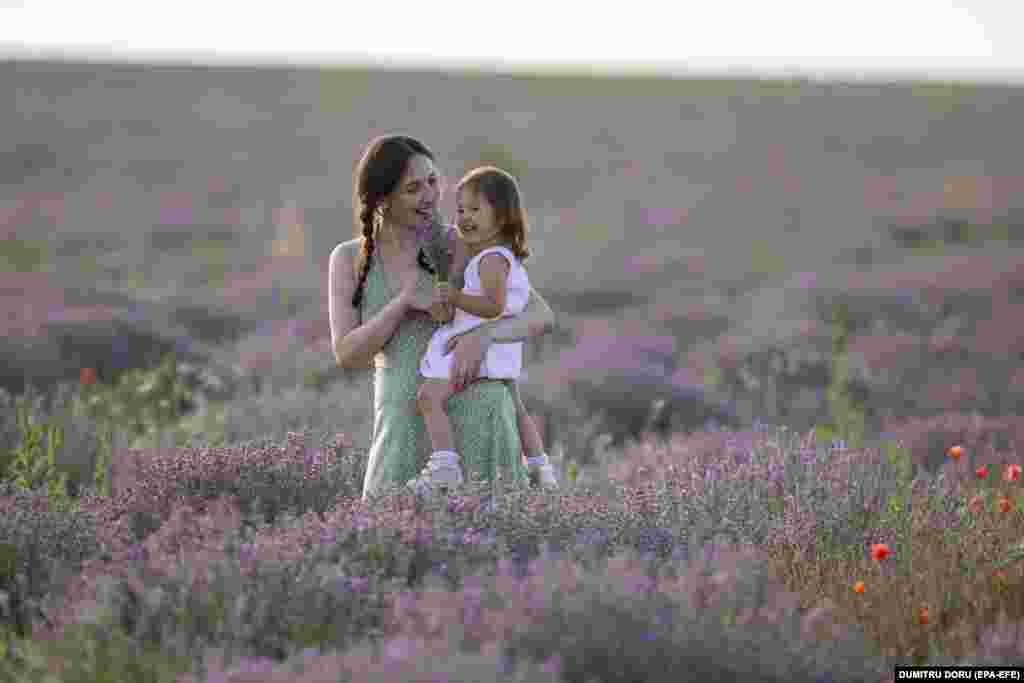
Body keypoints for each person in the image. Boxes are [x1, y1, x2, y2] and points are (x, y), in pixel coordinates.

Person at [329, 135, 557, 503]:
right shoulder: (348, 259)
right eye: (413, 188)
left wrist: (485, 336)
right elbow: (347, 354)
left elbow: (541, 314)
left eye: (434, 181)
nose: (430, 196)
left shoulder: (466, 242)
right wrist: (402, 303)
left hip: (483, 425)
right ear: (382, 199)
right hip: (402, 432)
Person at [410, 166, 559, 497]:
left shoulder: (491, 260)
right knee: (517, 408)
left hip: (477, 352)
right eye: (461, 210)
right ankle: (539, 466)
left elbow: (492, 306)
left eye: (475, 209)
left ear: (503, 216)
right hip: (498, 351)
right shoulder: (504, 259)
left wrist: (456, 296)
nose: (464, 217)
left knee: (428, 397)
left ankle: (445, 464)